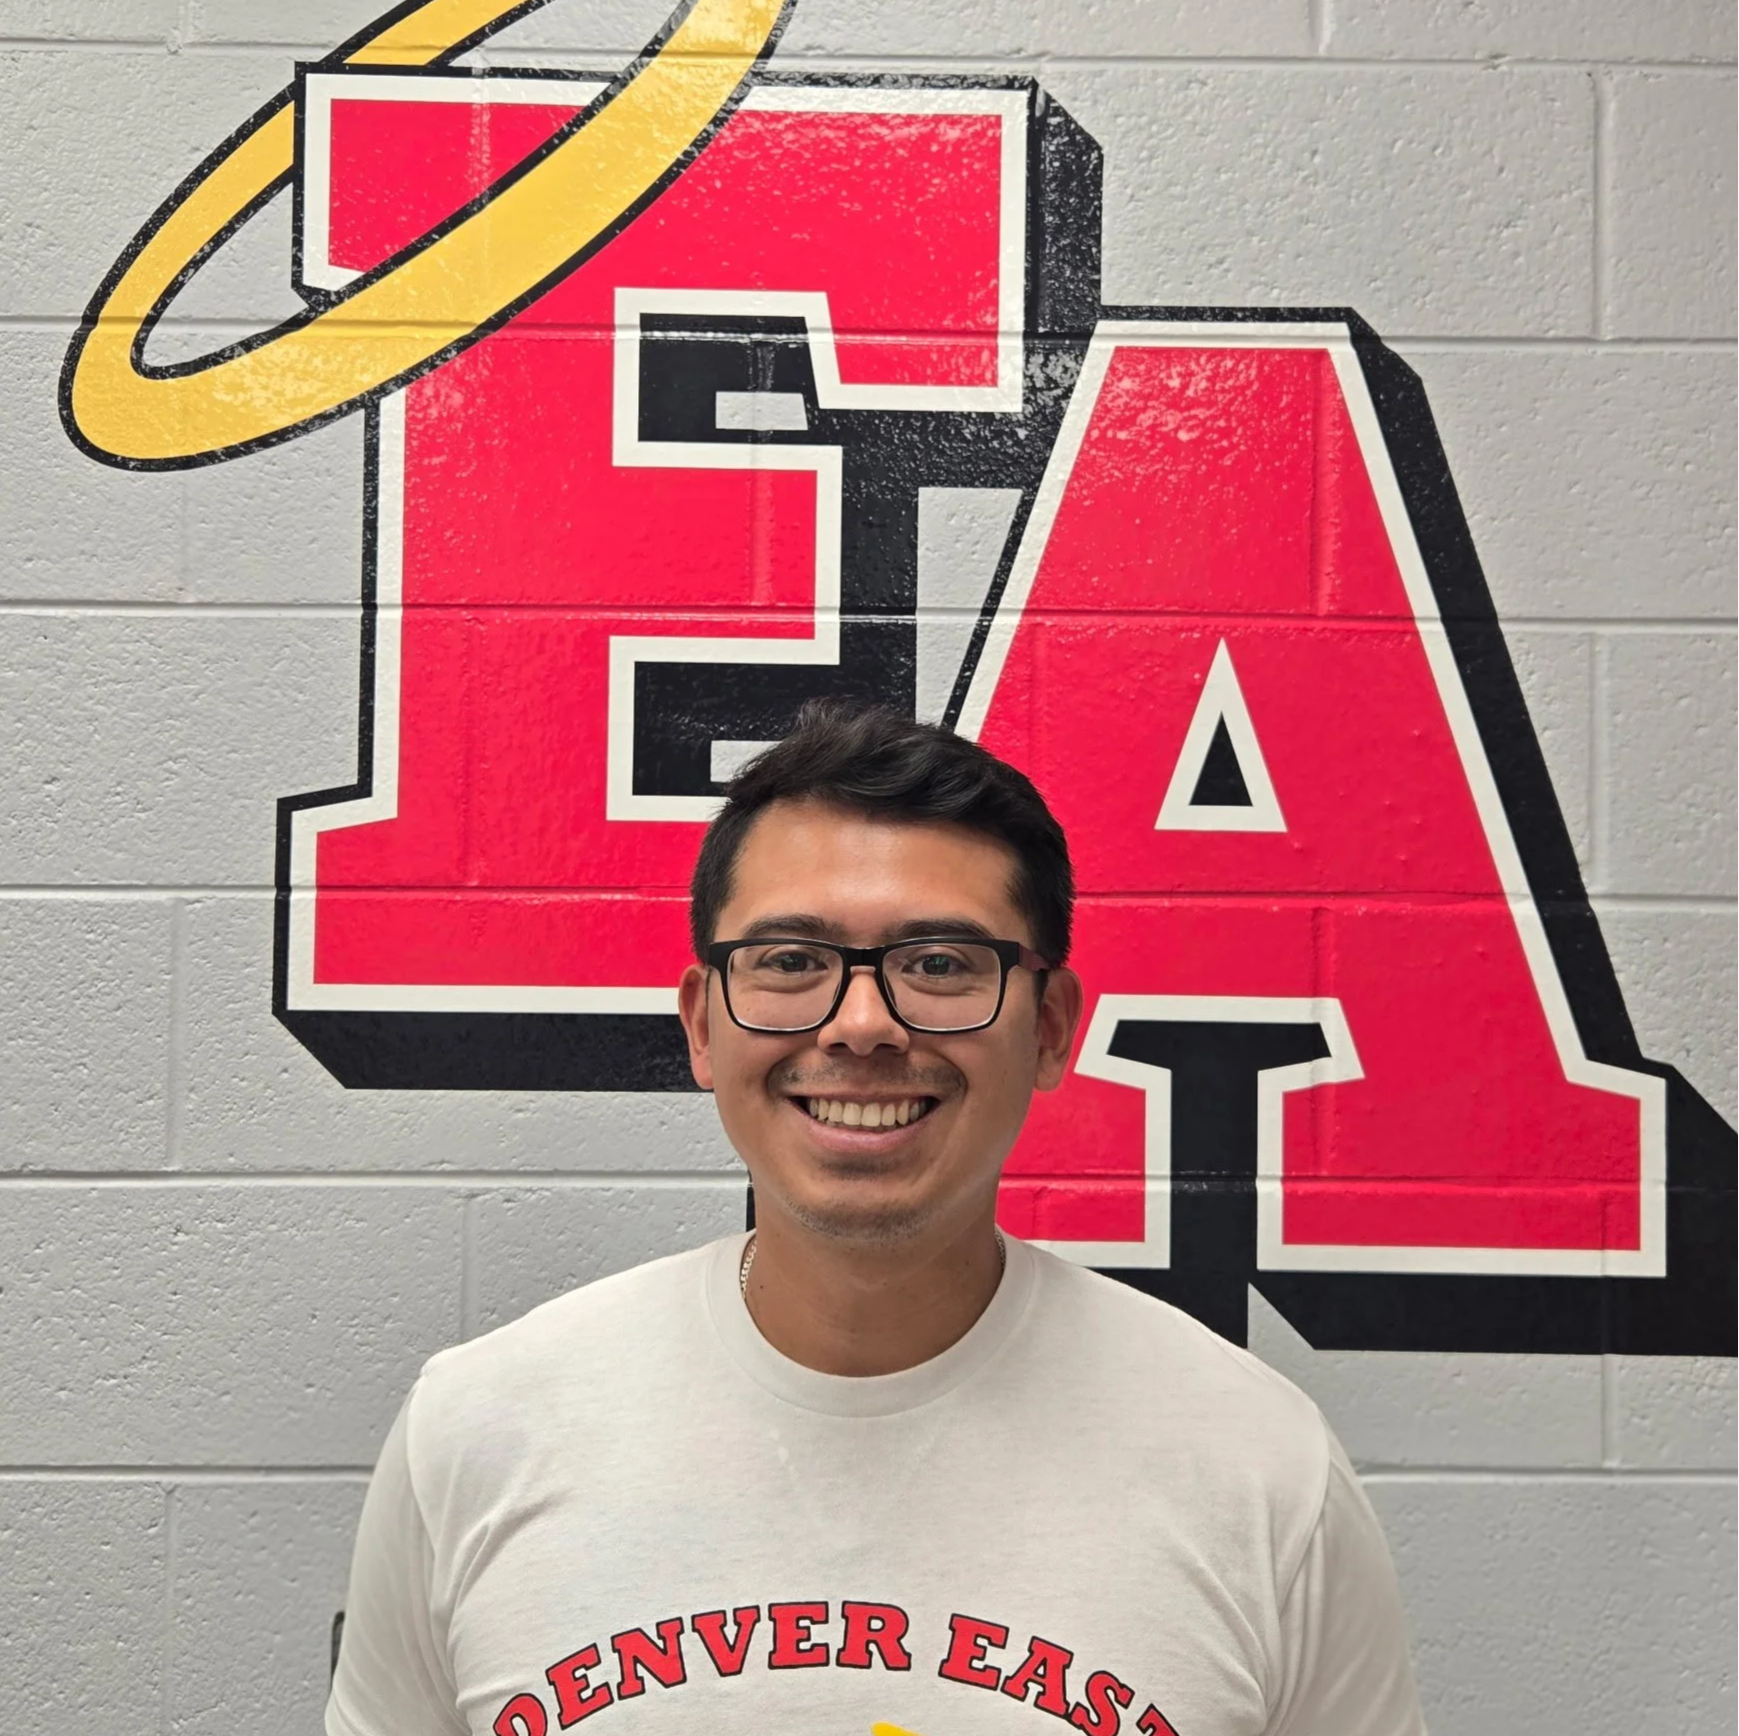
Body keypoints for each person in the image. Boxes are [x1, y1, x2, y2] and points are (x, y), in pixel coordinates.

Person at [327, 700, 1427, 1736]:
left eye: (938, 964)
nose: (860, 1024)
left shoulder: (1256, 1466)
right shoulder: (477, 1434)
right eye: (791, 961)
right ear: (703, 1025)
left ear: (1049, 1028)